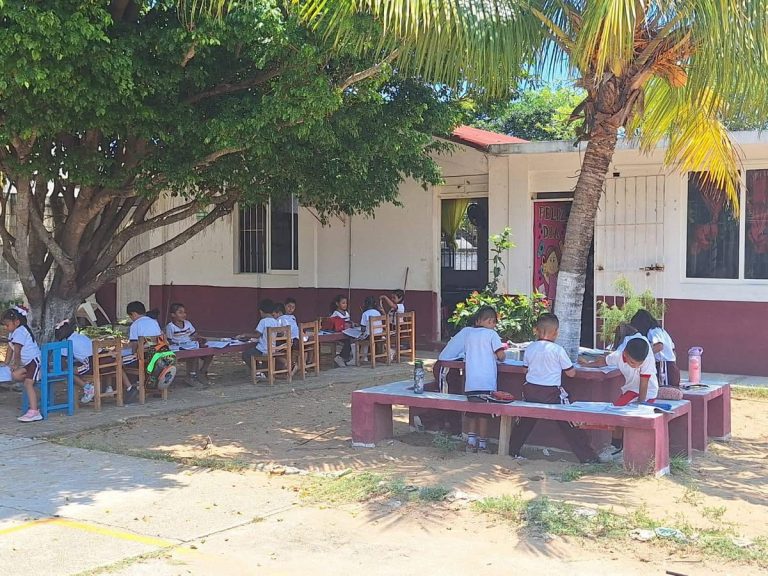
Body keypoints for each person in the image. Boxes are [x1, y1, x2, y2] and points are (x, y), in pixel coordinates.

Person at [507, 313, 599, 463]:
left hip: (530, 392)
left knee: (525, 421)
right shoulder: (558, 350)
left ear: (536, 330)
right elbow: (571, 373)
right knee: (568, 419)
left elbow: (525, 370)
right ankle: (587, 456)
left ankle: (512, 451)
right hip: (551, 393)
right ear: (556, 332)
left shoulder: (530, 348)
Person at [583, 334, 659, 459]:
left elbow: (644, 383)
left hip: (647, 391)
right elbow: (602, 362)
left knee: (635, 418)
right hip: (630, 390)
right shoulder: (617, 356)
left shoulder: (647, 358)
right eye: (633, 363)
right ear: (625, 354)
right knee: (617, 414)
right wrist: (586, 365)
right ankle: (616, 447)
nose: (636, 366)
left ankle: (630, 449)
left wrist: (641, 405)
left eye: (639, 364)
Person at [461, 306, 506, 453]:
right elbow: (501, 356)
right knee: (484, 415)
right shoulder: (492, 334)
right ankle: (482, 444)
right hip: (486, 383)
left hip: (471, 383)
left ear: (478, 321)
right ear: (492, 322)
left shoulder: (469, 334)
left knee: (472, 412)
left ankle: (470, 442)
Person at [2, 306, 42, 422]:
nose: (5, 327)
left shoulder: (20, 331)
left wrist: (15, 364)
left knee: (28, 384)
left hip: (34, 362)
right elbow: (10, 349)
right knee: (15, 375)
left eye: (7, 325)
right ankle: (33, 377)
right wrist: (6, 363)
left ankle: (34, 411)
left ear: (17, 322)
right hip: (27, 365)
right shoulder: (13, 333)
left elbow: (17, 351)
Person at [124, 300, 163, 403]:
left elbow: (134, 344)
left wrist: (132, 352)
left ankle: (130, 387)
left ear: (133, 314)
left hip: (142, 357)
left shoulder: (135, 325)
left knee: (118, 362)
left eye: (130, 316)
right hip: (156, 355)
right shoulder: (154, 321)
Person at [165, 303, 212, 387]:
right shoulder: (170, 327)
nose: (183, 314)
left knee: (209, 352)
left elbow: (194, 334)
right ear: (173, 315)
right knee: (193, 354)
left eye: (184, 312)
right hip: (178, 348)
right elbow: (169, 341)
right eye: (180, 312)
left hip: (190, 345)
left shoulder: (187, 323)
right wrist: (181, 343)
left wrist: (199, 338)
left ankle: (202, 372)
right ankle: (191, 377)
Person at [630, 309, 679, 387]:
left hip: (663, 368)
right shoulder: (662, 331)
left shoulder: (653, 331)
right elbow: (673, 350)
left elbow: (659, 346)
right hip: (671, 366)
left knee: (663, 391)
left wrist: (644, 356)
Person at [54, 319, 96, 404]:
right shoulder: (81, 336)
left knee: (68, 372)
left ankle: (88, 388)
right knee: (75, 368)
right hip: (99, 360)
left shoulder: (67, 342)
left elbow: (62, 361)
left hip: (90, 364)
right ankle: (90, 386)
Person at [237, 299, 280, 377]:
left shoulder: (263, 321)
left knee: (246, 355)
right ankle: (262, 371)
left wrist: (245, 335)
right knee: (253, 352)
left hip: (263, 349)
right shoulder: (275, 321)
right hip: (272, 349)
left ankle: (257, 371)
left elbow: (257, 335)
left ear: (261, 311)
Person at [330, 295, 352, 367]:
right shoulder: (335, 314)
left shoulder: (346, 313)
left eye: (346, 303)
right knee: (348, 340)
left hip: (347, 332)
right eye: (343, 303)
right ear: (337, 304)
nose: (345, 305)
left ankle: (347, 357)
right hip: (338, 334)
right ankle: (340, 357)